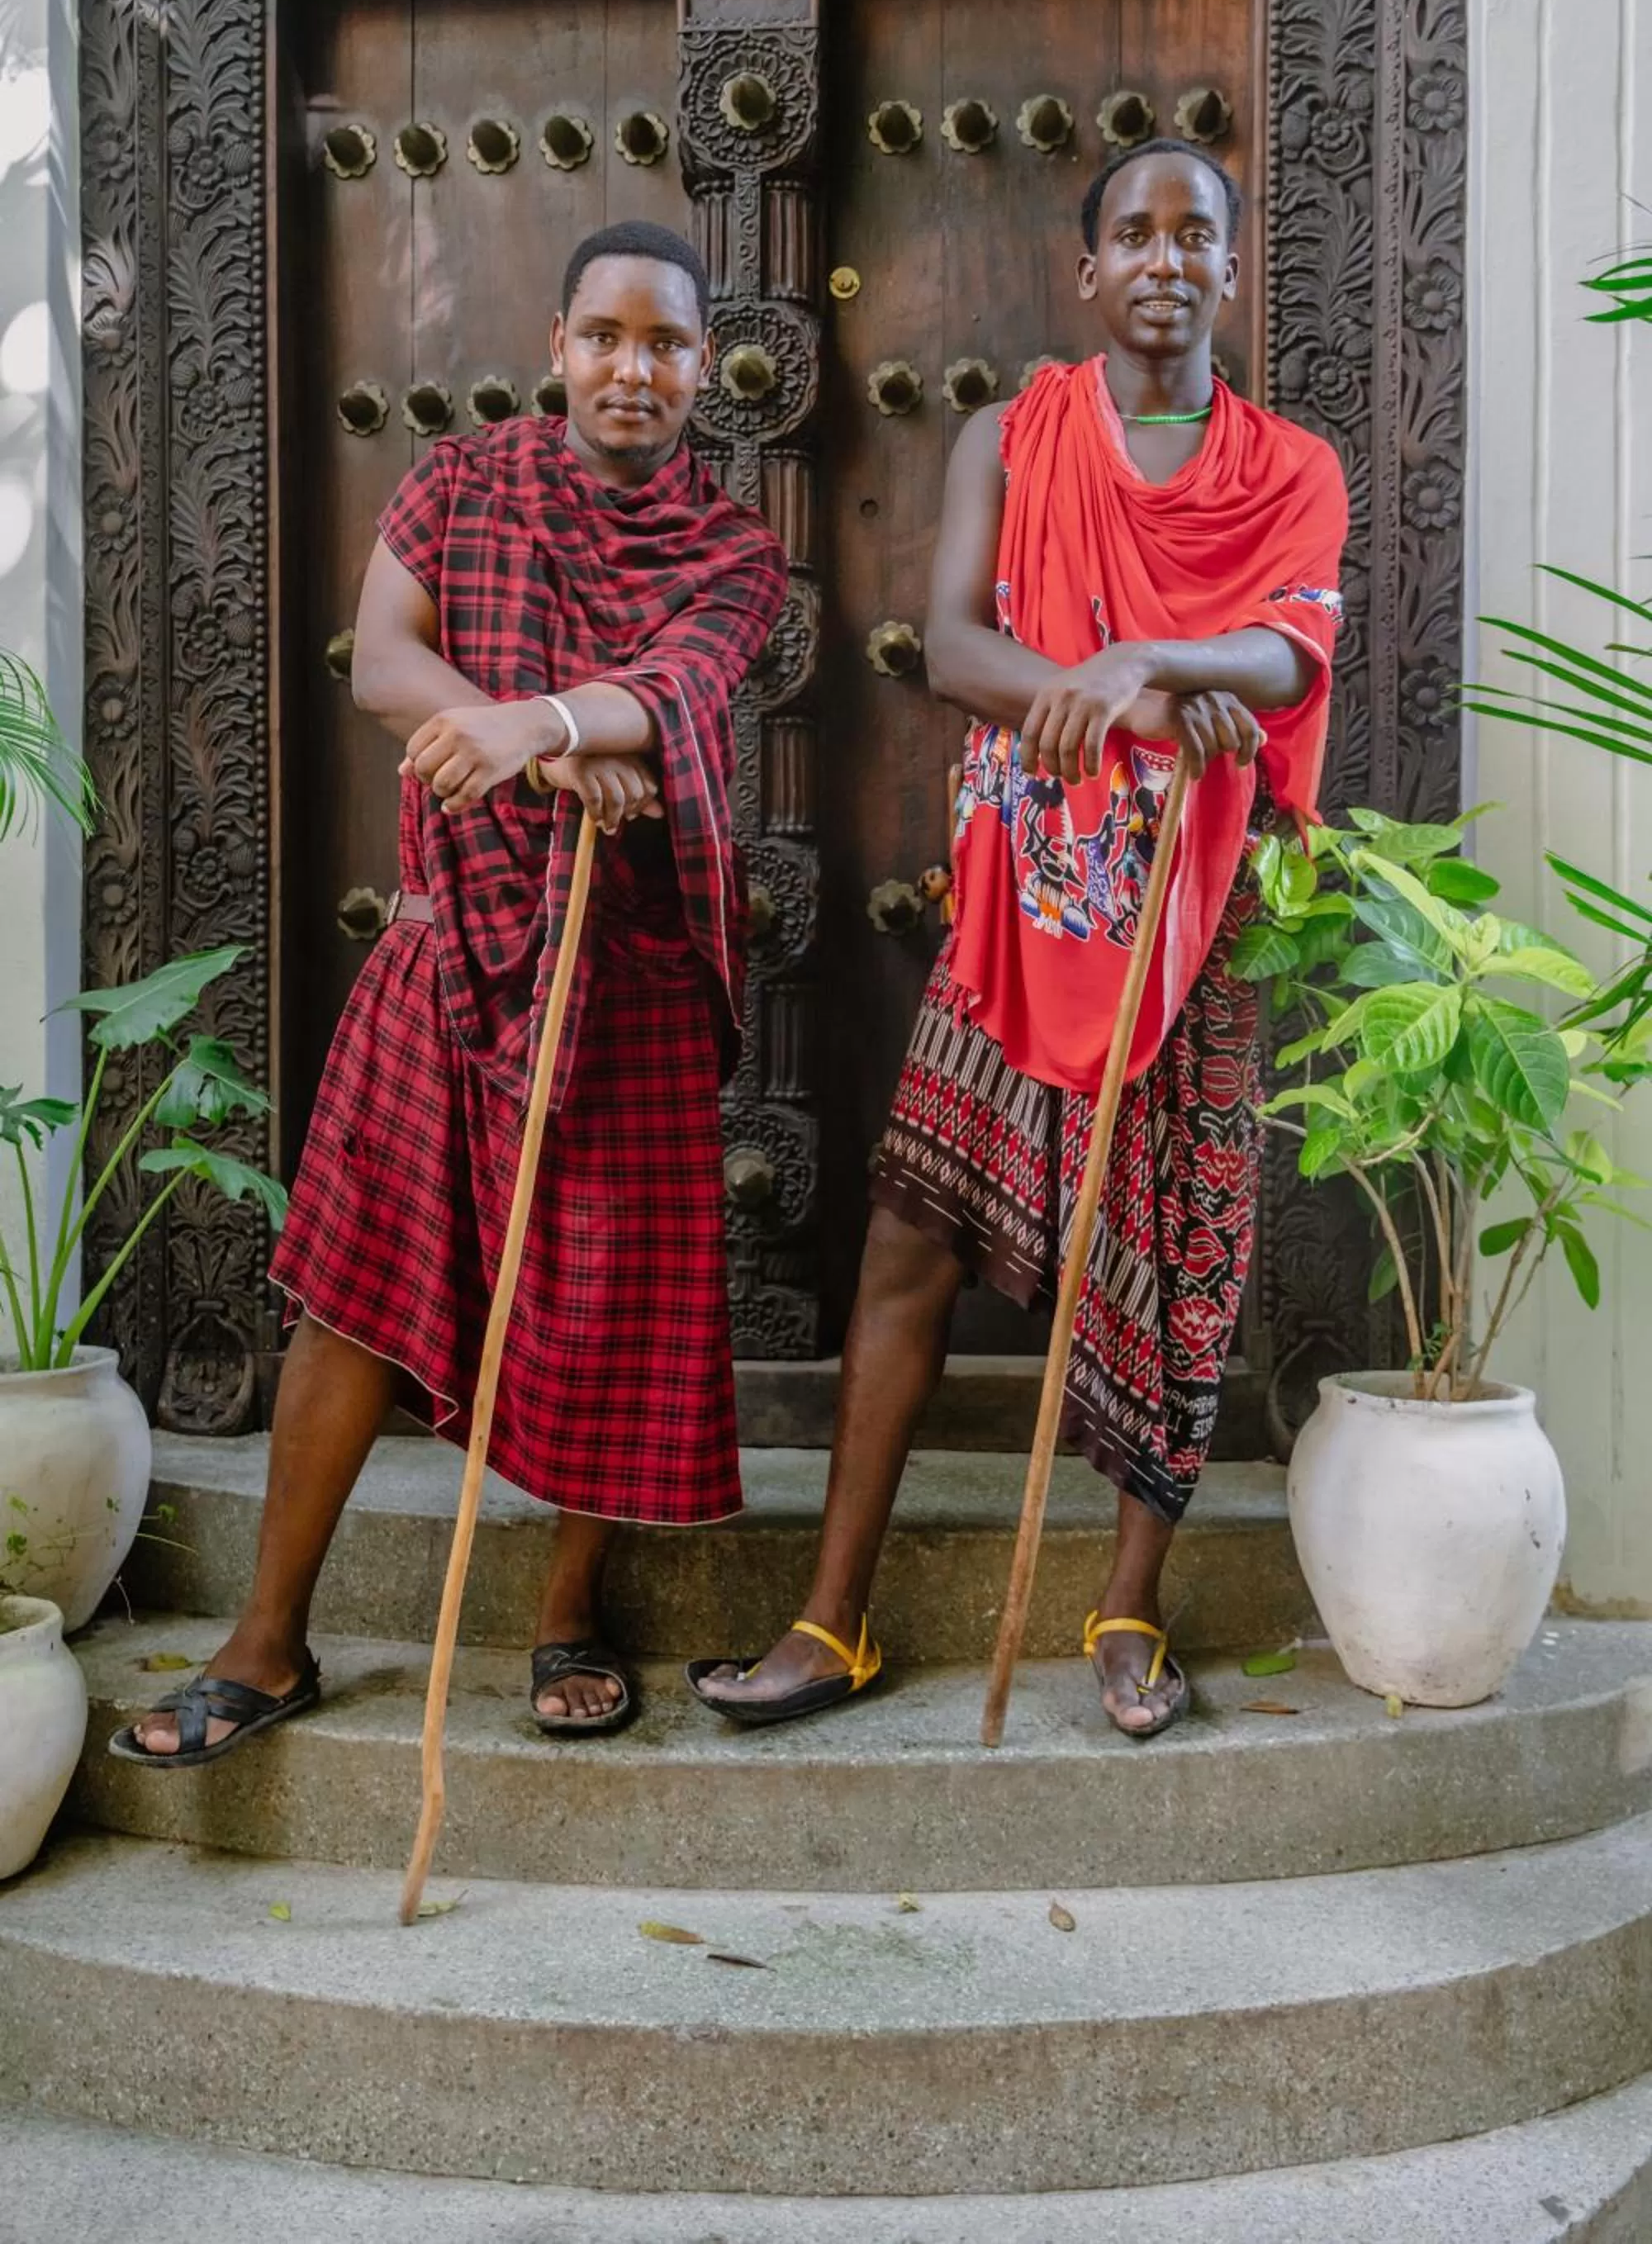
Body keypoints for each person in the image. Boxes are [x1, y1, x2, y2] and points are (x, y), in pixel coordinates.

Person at [691, 141, 1347, 1739]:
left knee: (1175, 1259)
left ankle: (1126, 1614)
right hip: (1028, 897)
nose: (1165, 259)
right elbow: (957, 634)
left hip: (1191, 912)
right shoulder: (1012, 432)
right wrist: (1100, 692)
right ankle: (832, 1617)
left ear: (1233, 272)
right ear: (1088, 271)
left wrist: (1148, 657)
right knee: (912, 1237)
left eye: (1198, 234)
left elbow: (1288, 650)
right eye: (1134, 232)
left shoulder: (1290, 468)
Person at [115, 221, 786, 1762]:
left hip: (632, 981)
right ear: (555, 347)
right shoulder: (458, 484)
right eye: (606, 337)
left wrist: (539, 722)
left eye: (667, 345)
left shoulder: (738, 555)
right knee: (353, 1286)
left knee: (613, 1299)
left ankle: (568, 1617)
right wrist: (555, 742)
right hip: (446, 947)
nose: (636, 368)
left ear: (702, 371)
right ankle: (268, 1640)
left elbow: (675, 690)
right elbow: (385, 661)